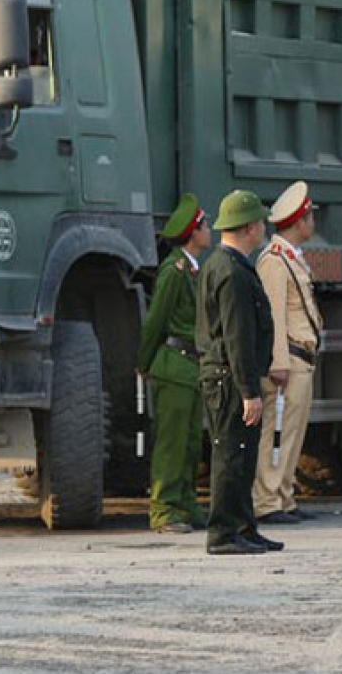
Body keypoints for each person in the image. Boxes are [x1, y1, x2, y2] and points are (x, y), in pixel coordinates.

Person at [196, 189, 284, 556]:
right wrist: (249, 391)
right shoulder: (231, 271)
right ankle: (223, 534)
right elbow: (237, 336)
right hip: (229, 378)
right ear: (249, 227)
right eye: (260, 221)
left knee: (244, 455)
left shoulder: (224, 263)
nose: (264, 226)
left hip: (229, 375)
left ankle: (244, 527)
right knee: (230, 454)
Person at [136, 194, 211, 534]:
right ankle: (164, 508)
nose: (208, 231)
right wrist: (144, 362)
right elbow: (155, 321)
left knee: (192, 442)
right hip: (174, 364)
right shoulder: (175, 271)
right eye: (204, 226)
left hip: (191, 367)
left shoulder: (194, 270)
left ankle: (186, 502)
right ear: (192, 233)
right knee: (171, 443)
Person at [253, 181, 324, 525]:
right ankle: (267, 500)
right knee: (277, 431)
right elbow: (274, 317)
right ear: (300, 221)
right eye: (311, 217)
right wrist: (278, 362)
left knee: (292, 432)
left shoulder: (291, 259)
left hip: (302, 358)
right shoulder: (275, 261)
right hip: (290, 360)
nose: (313, 223)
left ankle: (284, 495)